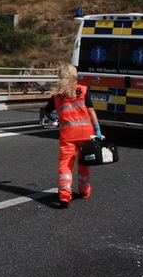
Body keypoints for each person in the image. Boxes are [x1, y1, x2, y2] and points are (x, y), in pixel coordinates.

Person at [43, 63, 101, 209]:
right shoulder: (83, 89)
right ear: (75, 76)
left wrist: (53, 119)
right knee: (84, 162)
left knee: (65, 164)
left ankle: (64, 196)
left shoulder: (57, 95)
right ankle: (84, 191)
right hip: (85, 133)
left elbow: (46, 111)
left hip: (67, 134)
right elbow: (91, 111)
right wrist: (98, 129)